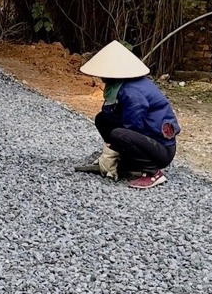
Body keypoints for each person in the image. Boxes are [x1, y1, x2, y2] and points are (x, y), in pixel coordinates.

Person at [75, 40, 180, 189]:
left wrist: (112, 148)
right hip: (148, 141)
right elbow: (110, 113)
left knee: (120, 134)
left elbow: (133, 127)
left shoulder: (132, 92)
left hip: (161, 150)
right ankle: (129, 162)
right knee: (102, 119)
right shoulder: (121, 87)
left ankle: (152, 172)